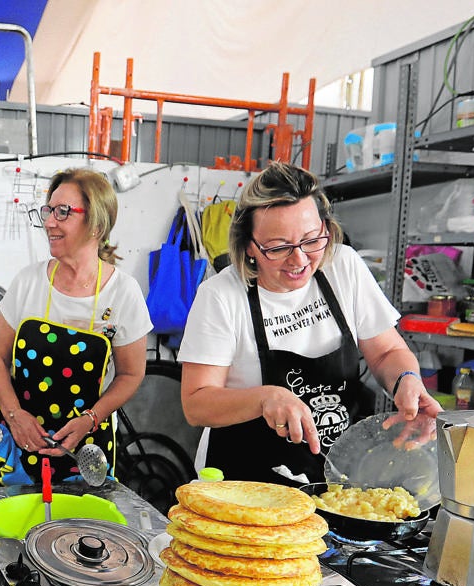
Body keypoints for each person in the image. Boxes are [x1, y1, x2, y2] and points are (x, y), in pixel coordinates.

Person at [178, 161, 441, 486]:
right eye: (279, 247)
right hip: (243, 480)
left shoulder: (343, 267)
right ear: (248, 245)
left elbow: (387, 351)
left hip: (333, 472)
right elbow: (197, 403)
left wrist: (407, 381)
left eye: (312, 240)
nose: (299, 259)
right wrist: (265, 398)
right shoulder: (221, 295)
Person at [0, 168, 152, 486]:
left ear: (97, 224)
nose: (49, 222)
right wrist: (15, 415)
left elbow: (131, 374)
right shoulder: (29, 282)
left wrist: (91, 419)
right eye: (48, 211)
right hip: (20, 439)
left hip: (86, 447)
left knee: (80, 517)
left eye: (63, 212)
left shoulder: (123, 292)